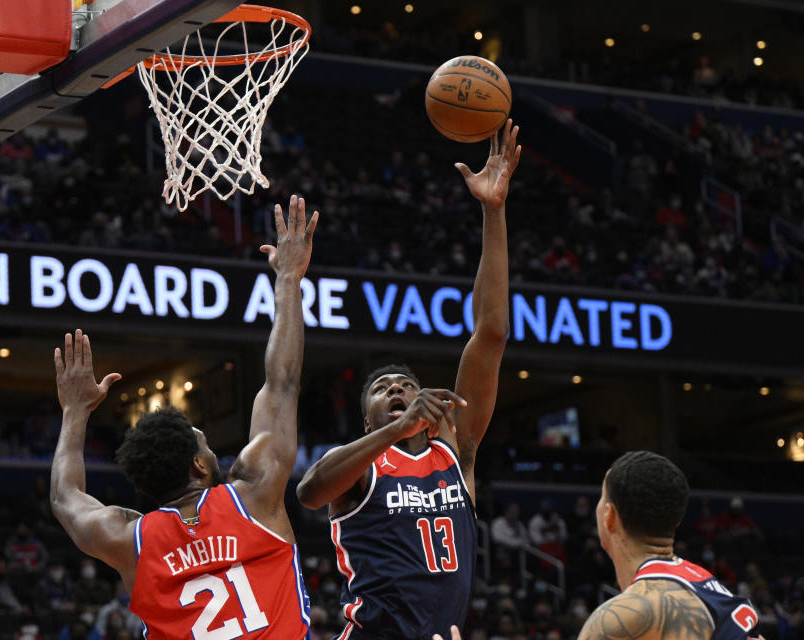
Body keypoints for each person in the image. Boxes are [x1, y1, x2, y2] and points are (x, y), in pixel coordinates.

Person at [49, 195, 319, 639]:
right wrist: (289, 279)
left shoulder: (128, 538)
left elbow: (64, 497)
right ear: (198, 464)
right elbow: (282, 383)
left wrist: (74, 412)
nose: (212, 450)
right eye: (205, 443)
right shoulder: (253, 496)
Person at [297, 120, 521, 639]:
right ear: (367, 417)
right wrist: (391, 436)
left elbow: (491, 334)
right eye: (381, 389)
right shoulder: (355, 466)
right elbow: (309, 492)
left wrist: (493, 210)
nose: (396, 388)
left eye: (405, 384)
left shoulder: (455, 447)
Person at [577, 451, 762, 640]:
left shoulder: (621, 618)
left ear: (609, 516)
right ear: (677, 521)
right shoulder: (704, 584)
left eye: (602, 497)